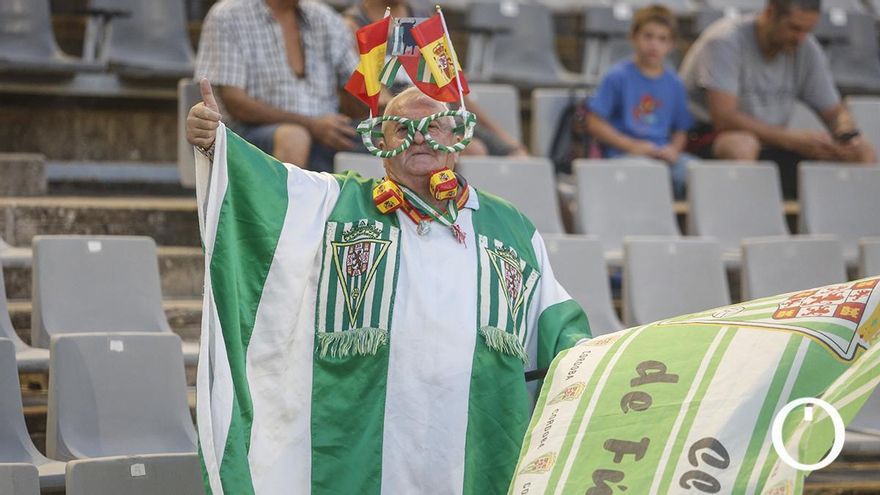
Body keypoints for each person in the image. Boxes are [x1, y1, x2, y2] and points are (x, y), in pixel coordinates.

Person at [187, 79, 591, 494]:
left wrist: (600, 359)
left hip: (478, 443)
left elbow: (555, 321)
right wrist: (214, 145)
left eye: (433, 126)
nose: (419, 138)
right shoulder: (334, 204)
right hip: (362, 445)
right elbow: (268, 190)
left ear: (457, 137)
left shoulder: (511, 227)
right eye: (402, 128)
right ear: (379, 142)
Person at [679, 0, 875, 197]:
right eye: (794, 28)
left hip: (773, 143)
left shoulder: (806, 48)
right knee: (742, 145)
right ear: (770, 13)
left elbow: (835, 111)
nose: (800, 38)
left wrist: (846, 132)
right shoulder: (725, 41)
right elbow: (724, 118)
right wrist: (792, 140)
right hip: (704, 139)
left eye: (808, 30)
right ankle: (742, 220)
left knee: (862, 151)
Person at [342, 0, 531, 157]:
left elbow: (453, 87)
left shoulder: (423, 19)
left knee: (517, 156)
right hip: (399, 119)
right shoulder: (352, 25)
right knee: (474, 150)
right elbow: (376, 100)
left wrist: (507, 140)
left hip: (440, 110)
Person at [195, 0, 366, 172]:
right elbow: (236, 103)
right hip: (249, 134)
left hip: (326, 130)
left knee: (385, 139)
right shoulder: (227, 15)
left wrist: (388, 103)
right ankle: (286, 199)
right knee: (294, 137)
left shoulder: (324, 17)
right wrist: (312, 125)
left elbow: (361, 86)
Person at [586, 4, 694, 199]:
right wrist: (631, 146)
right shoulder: (617, 76)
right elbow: (594, 123)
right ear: (633, 37)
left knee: (699, 173)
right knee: (648, 173)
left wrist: (674, 150)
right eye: (648, 36)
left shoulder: (675, 83)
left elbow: (681, 130)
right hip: (623, 156)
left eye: (662, 39)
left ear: (671, 45)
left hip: (663, 157)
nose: (654, 45)